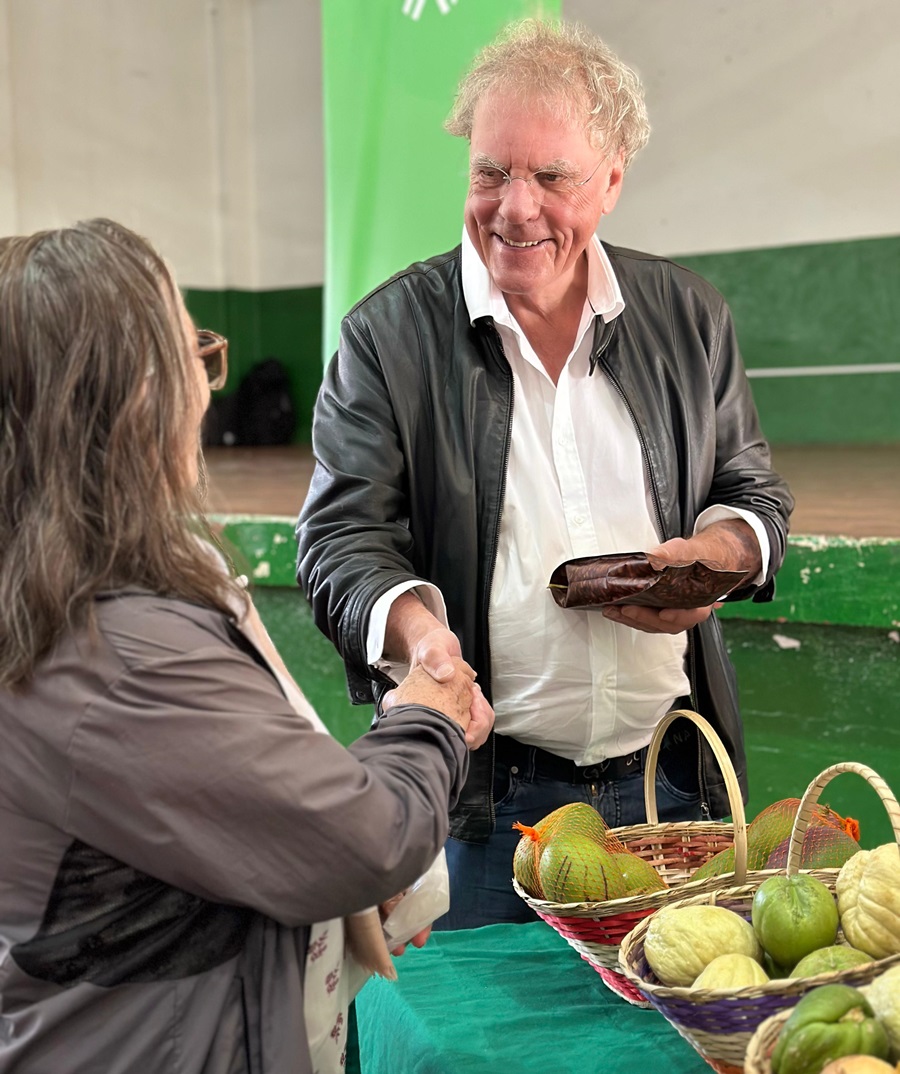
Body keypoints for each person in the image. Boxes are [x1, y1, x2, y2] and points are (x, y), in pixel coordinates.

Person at [297, 19, 793, 930]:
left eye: (550, 176)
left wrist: (718, 556)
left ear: (611, 180)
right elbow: (338, 537)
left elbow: (752, 492)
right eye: (491, 171)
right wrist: (423, 642)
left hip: (672, 791)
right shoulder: (388, 337)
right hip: (487, 815)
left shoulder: (689, 316)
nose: (513, 207)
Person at [0, 219, 493, 1074]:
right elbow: (362, 836)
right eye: (189, 353)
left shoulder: (59, 596)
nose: (204, 386)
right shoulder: (119, 653)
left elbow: (201, 822)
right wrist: (427, 717)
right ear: (136, 399)